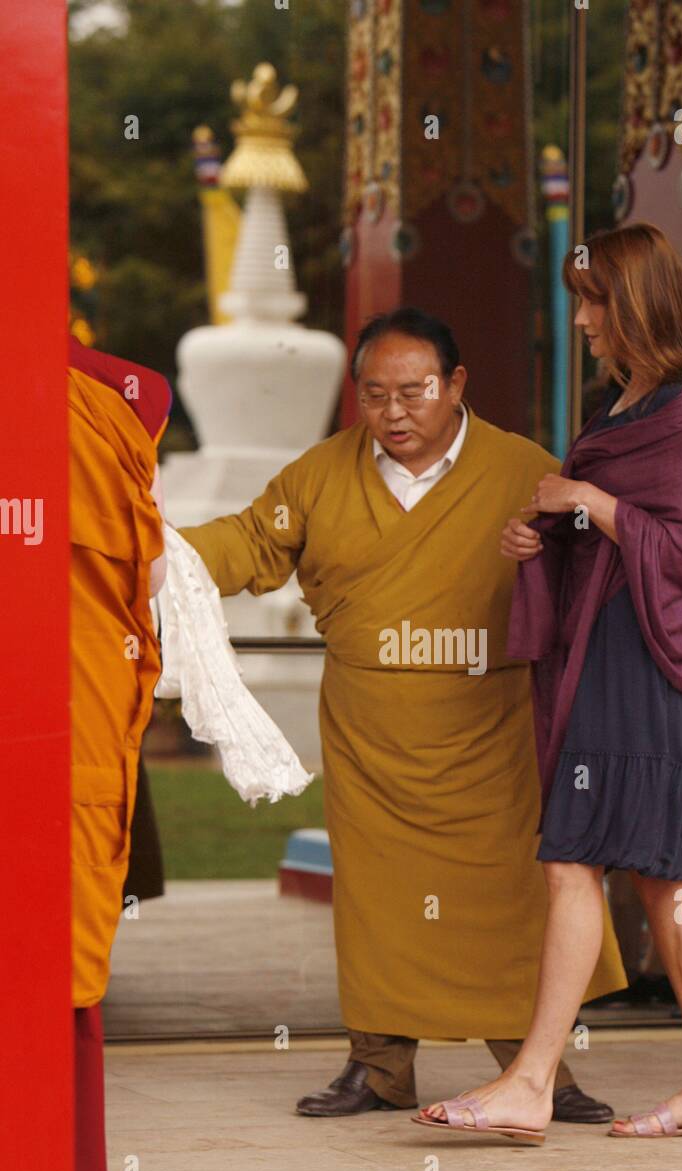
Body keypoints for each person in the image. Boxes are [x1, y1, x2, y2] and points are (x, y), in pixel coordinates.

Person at [178, 309, 626, 1125]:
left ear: (455, 385)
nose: (394, 413)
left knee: (509, 898)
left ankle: (538, 1071)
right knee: (379, 903)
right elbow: (247, 543)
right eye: (375, 395)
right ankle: (379, 1067)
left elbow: (595, 566)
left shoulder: (525, 470)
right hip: (371, 731)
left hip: (490, 729)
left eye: (414, 392)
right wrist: (150, 546)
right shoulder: (320, 474)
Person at [418, 223, 682, 1142]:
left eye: (595, 302)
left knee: (582, 860)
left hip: (648, 663)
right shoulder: (621, 406)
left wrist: (588, 501)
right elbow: (617, 526)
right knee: (658, 879)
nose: (587, 322)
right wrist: (543, 537)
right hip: (609, 655)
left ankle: (530, 1081)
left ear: (634, 301)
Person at [69, 335, 168, 1171]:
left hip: (69, 708)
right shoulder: (119, 394)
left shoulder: (114, 396)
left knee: (52, 957)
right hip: (75, 703)